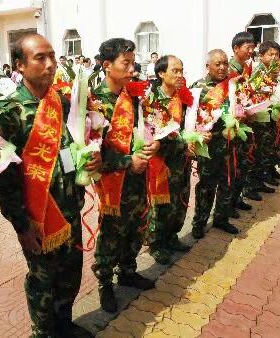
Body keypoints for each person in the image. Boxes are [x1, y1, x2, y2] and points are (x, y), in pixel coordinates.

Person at [0, 33, 99, 338]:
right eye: (40, 58)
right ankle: (43, 332)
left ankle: (64, 324)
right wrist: (20, 224)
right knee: (43, 280)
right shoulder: (8, 111)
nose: (51, 64)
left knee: (70, 272)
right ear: (20, 65)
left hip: (69, 208)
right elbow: (5, 177)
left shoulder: (64, 103)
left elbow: (73, 146)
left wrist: (90, 163)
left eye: (52, 56)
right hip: (37, 217)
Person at [91, 38, 157, 313]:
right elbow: (90, 153)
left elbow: (145, 129)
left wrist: (154, 142)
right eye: (125, 63)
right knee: (111, 232)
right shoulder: (92, 102)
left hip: (137, 175)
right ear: (107, 65)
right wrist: (128, 160)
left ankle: (128, 270)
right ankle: (105, 282)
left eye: (133, 63)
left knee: (137, 225)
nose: (132, 69)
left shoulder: (135, 97)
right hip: (112, 180)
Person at [143, 55, 192, 265]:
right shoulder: (150, 99)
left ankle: (172, 236)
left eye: (182, 70)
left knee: (179, 201)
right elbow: (147, 131)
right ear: (161, 73)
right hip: (161, 162)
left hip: (181, 161)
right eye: (175, 71)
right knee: (159, 205)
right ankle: (155, 243)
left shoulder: (183, 98)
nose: (180, 75)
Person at [191, 49, 239, 239]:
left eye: (225, 63)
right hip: (209, 147)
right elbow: (191, 117)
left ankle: (221, 218)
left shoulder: (233, 84)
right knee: (206, 186)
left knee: (227, 183)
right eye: (217, 64)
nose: (222, 67)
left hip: (230, 144)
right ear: (207, 66)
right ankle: (199, 222)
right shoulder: (199, 88)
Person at [248, 41, 280, 194]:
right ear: (261, 56)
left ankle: (259, 181)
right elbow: (252, 93)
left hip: (269, 118)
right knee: (256, 153)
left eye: (276, 55)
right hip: (258, 120)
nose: (274, 57)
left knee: (264, 152)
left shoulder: (273, 71)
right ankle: (251, 186)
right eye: (270, 54)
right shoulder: (258, 72)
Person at [228, 32, 258, 208]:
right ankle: (227, 205)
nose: (251, 51)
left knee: (243, 164)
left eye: (253, 48)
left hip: (245, 124)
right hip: (232, 128)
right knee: (233, 167)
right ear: (236, 48)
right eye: (248, 48)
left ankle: (235, 200)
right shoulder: (229, 71)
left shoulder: (247, 69)